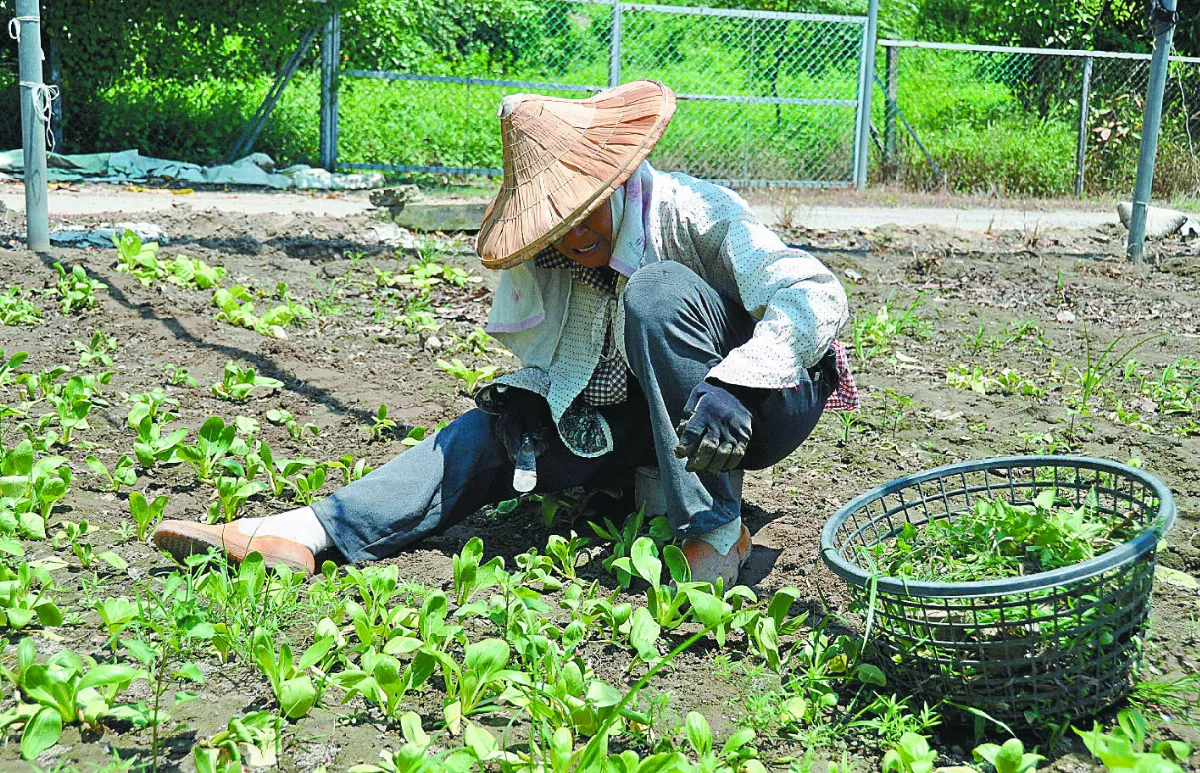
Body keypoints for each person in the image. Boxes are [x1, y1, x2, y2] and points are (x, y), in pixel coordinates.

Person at [152, 80, 859, 587]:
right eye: (558, 224)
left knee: (656, 292)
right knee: (490, 433)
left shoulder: (692, 211)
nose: (574, 237)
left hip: (766, 404)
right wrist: (529, 401)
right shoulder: (555, 257)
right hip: (657, 417)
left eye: (586, 211)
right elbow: (580, 363)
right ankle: (307, 531)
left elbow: (815, 293)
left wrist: (740, 381)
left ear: (616, 182)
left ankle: (714, 530)